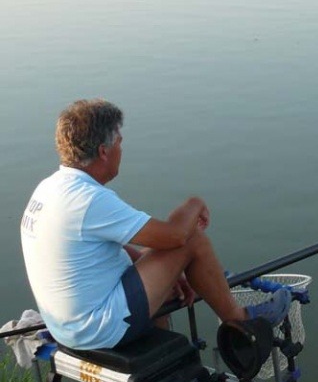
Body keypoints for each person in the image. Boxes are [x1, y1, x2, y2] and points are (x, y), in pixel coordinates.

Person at [20, 99, 289, 351]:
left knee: (156, 258)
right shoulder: (88, 200)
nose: (121, 151)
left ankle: (171, 369)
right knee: (192, 239)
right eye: (119, 144)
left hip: (68, 326)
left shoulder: (49, 189)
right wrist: (193, 205)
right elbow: (176, 237)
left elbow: (101, 248)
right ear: (104, 152)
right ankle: (242, 323)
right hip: (97, 329)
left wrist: (170, 272)